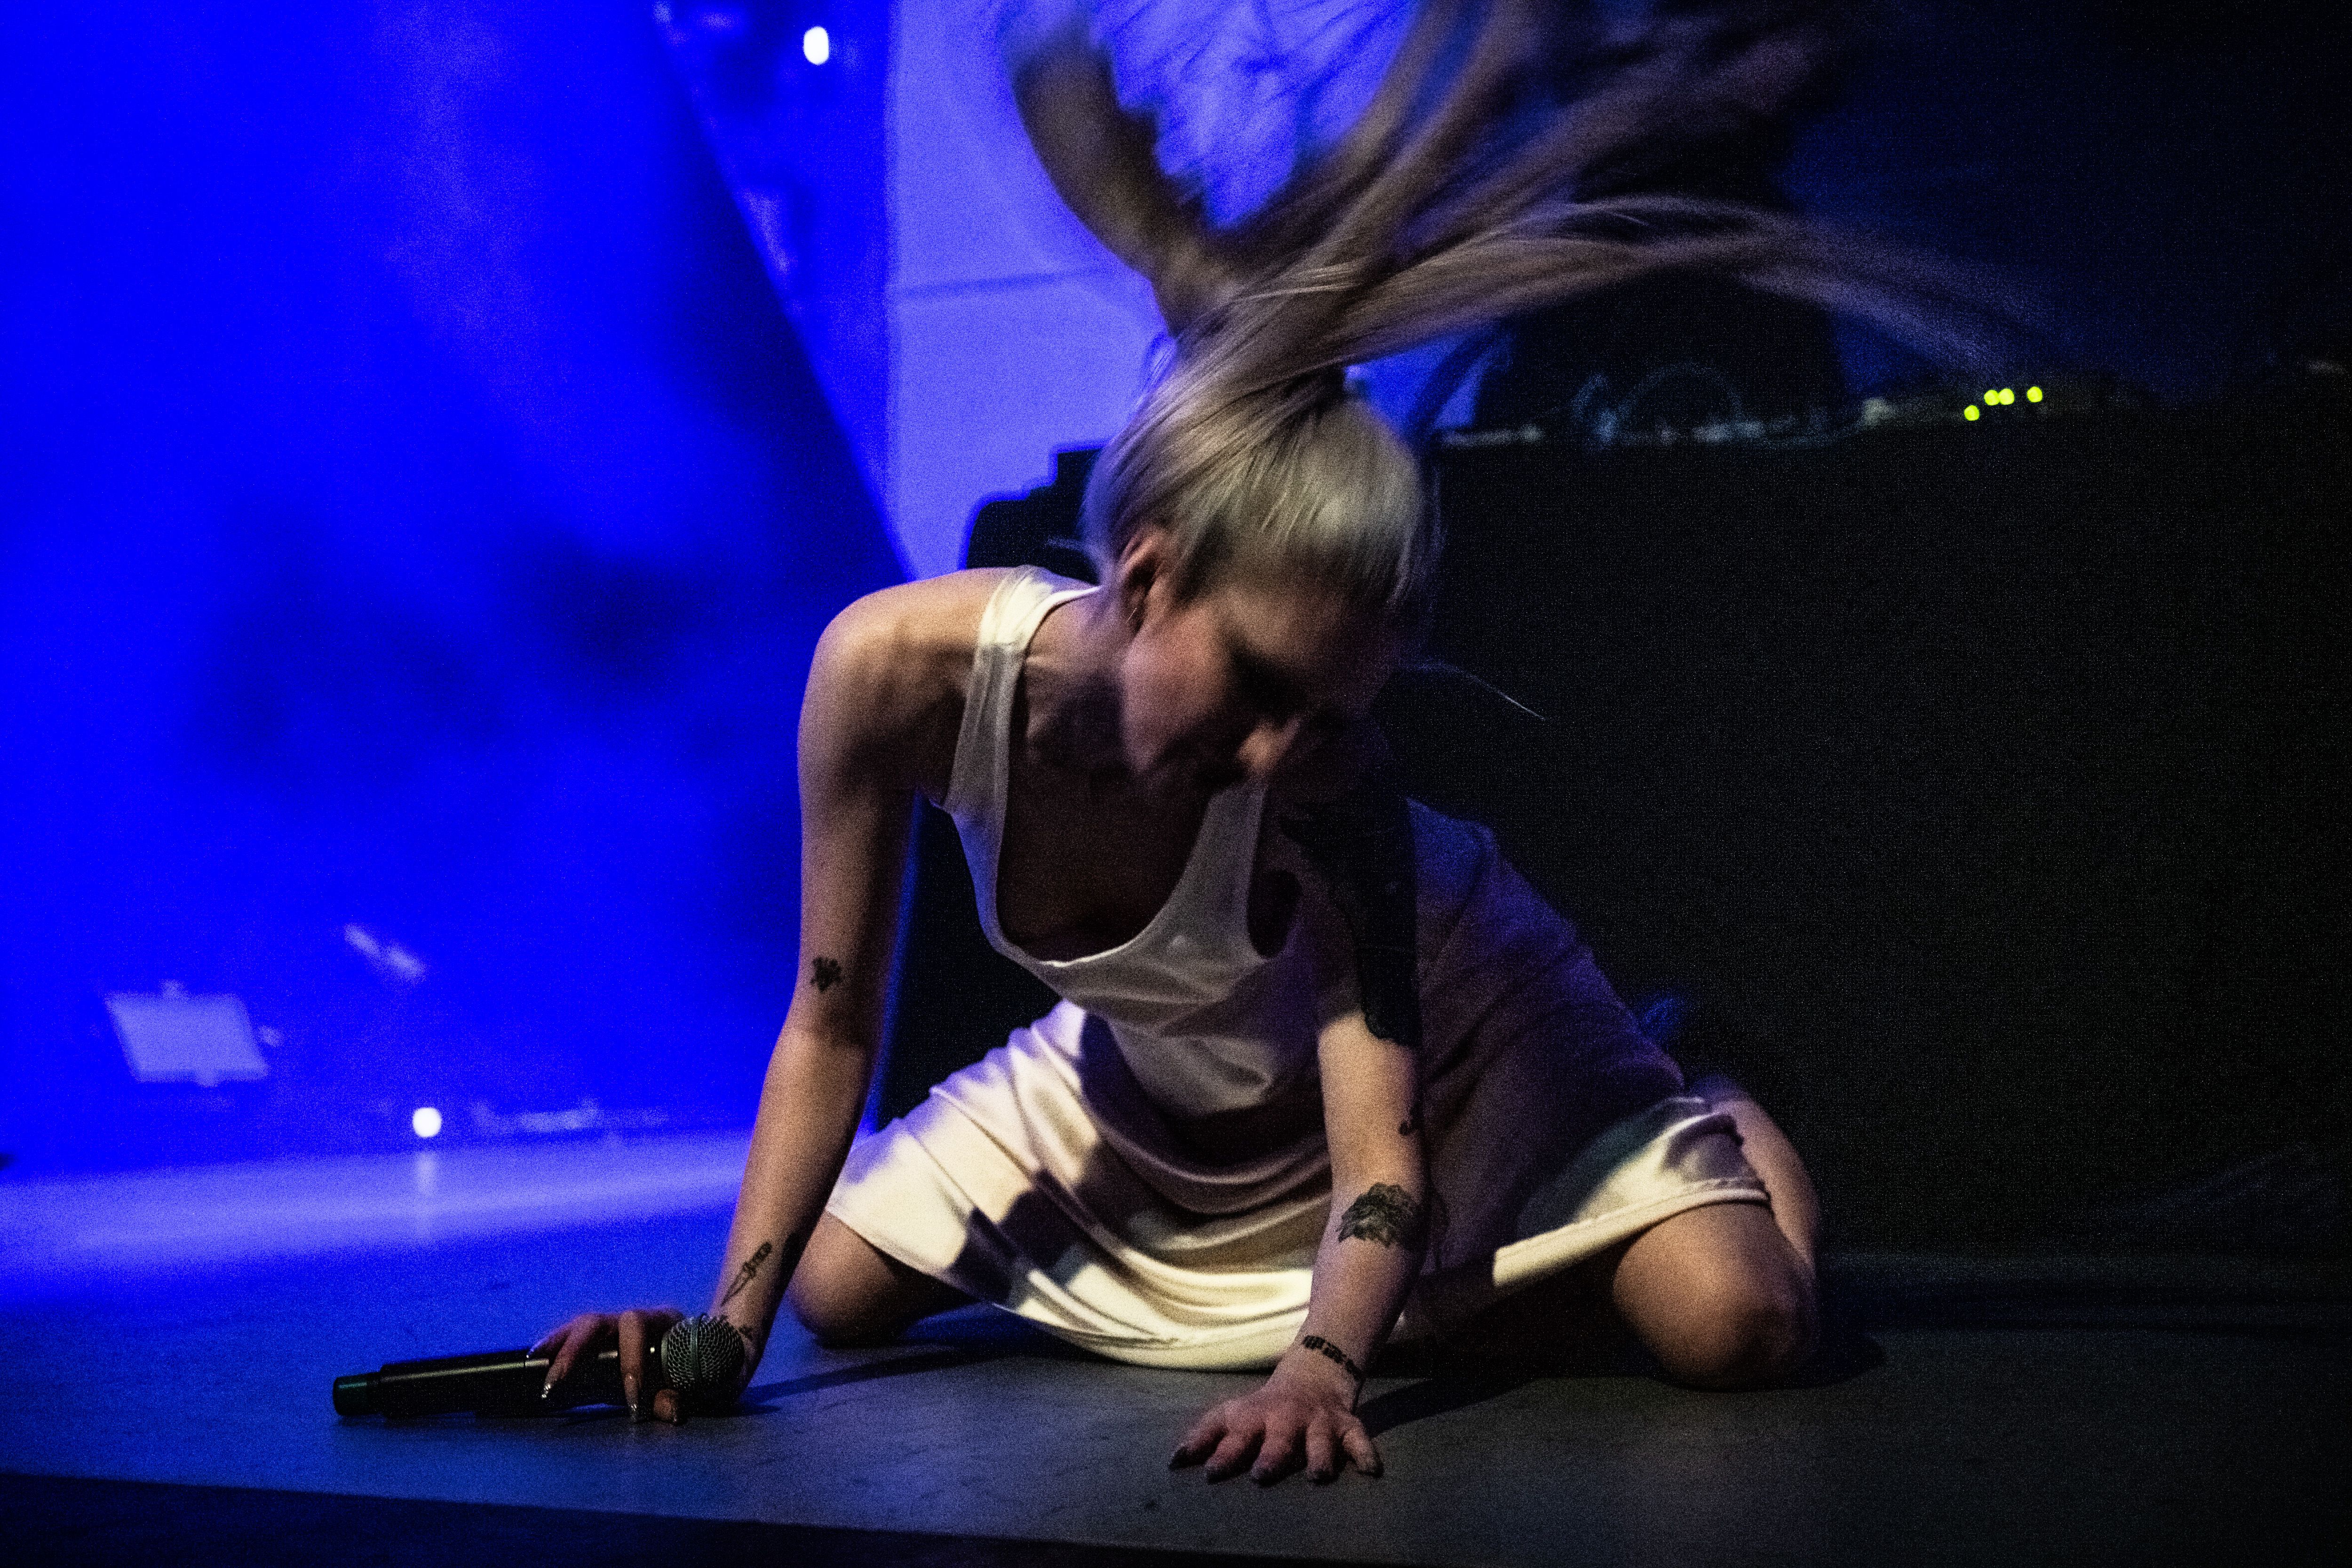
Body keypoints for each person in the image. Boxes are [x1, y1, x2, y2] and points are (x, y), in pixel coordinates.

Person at [537, 0, 1990, 1482]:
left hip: (1463, 1060)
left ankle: (1707, 1081)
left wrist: (1320, 1364)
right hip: (1157, 1085)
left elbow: (1380, 1160)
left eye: (1332, 713)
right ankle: (1434, 1294)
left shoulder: (1330, 788)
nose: (1282, 749)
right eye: (1258, 688)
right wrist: (722, 1332)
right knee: (838, 1298)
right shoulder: (892, 672)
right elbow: (830, 1027)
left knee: (1740, 1330)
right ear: (1150, 575)